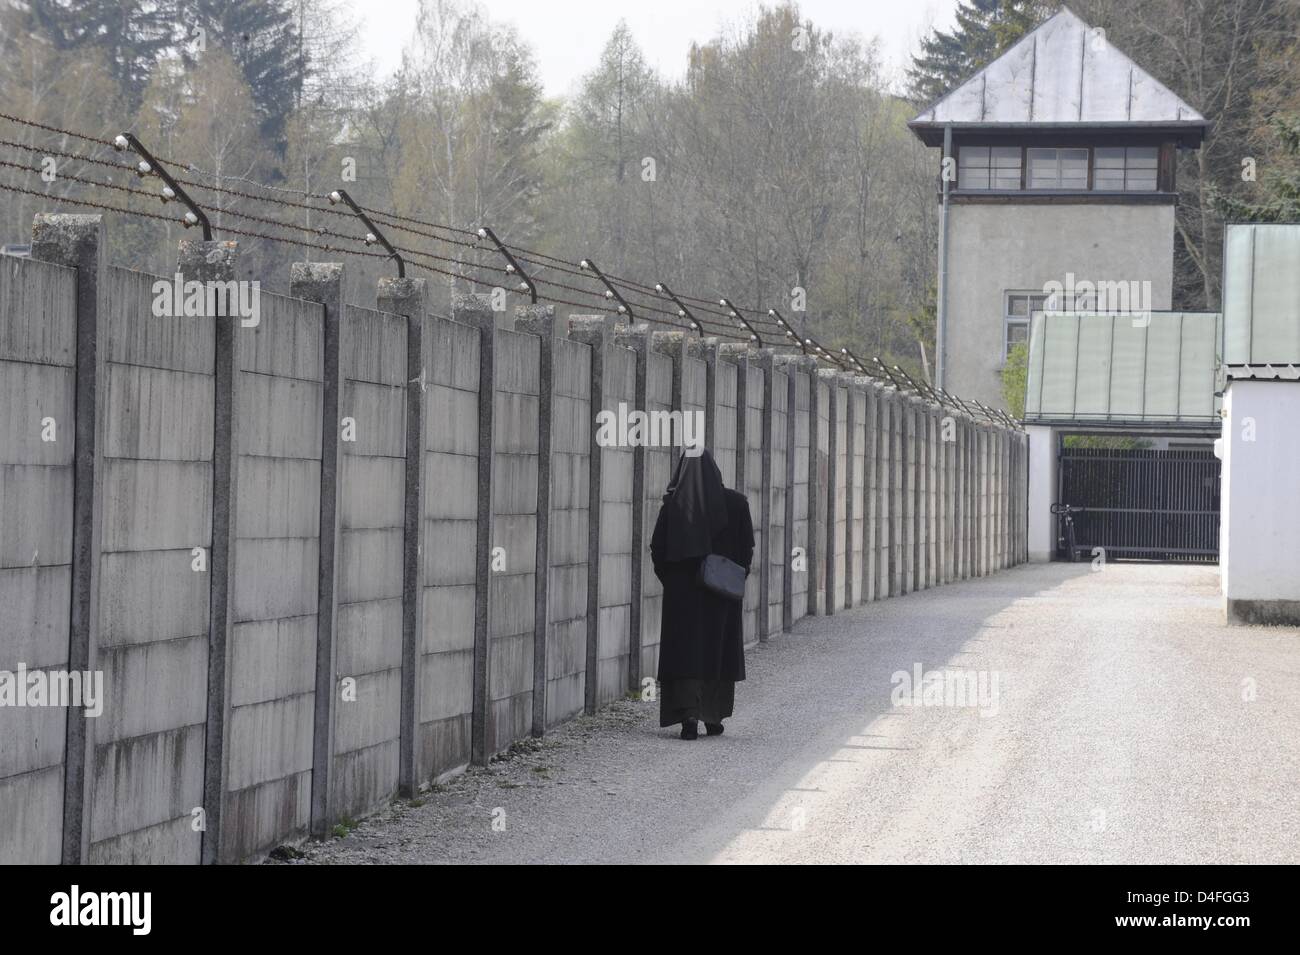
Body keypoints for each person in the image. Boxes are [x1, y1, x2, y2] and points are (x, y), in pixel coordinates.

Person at [649, 448, 755, 740]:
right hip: (721, 594)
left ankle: (688, 716)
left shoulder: (673, 506)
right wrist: (734, 575)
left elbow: (657, 550)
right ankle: (712, 715)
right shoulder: (736, 504)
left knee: (685, 652)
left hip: (682, 597)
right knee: (716, 650)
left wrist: (673, 581)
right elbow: (747, 548)